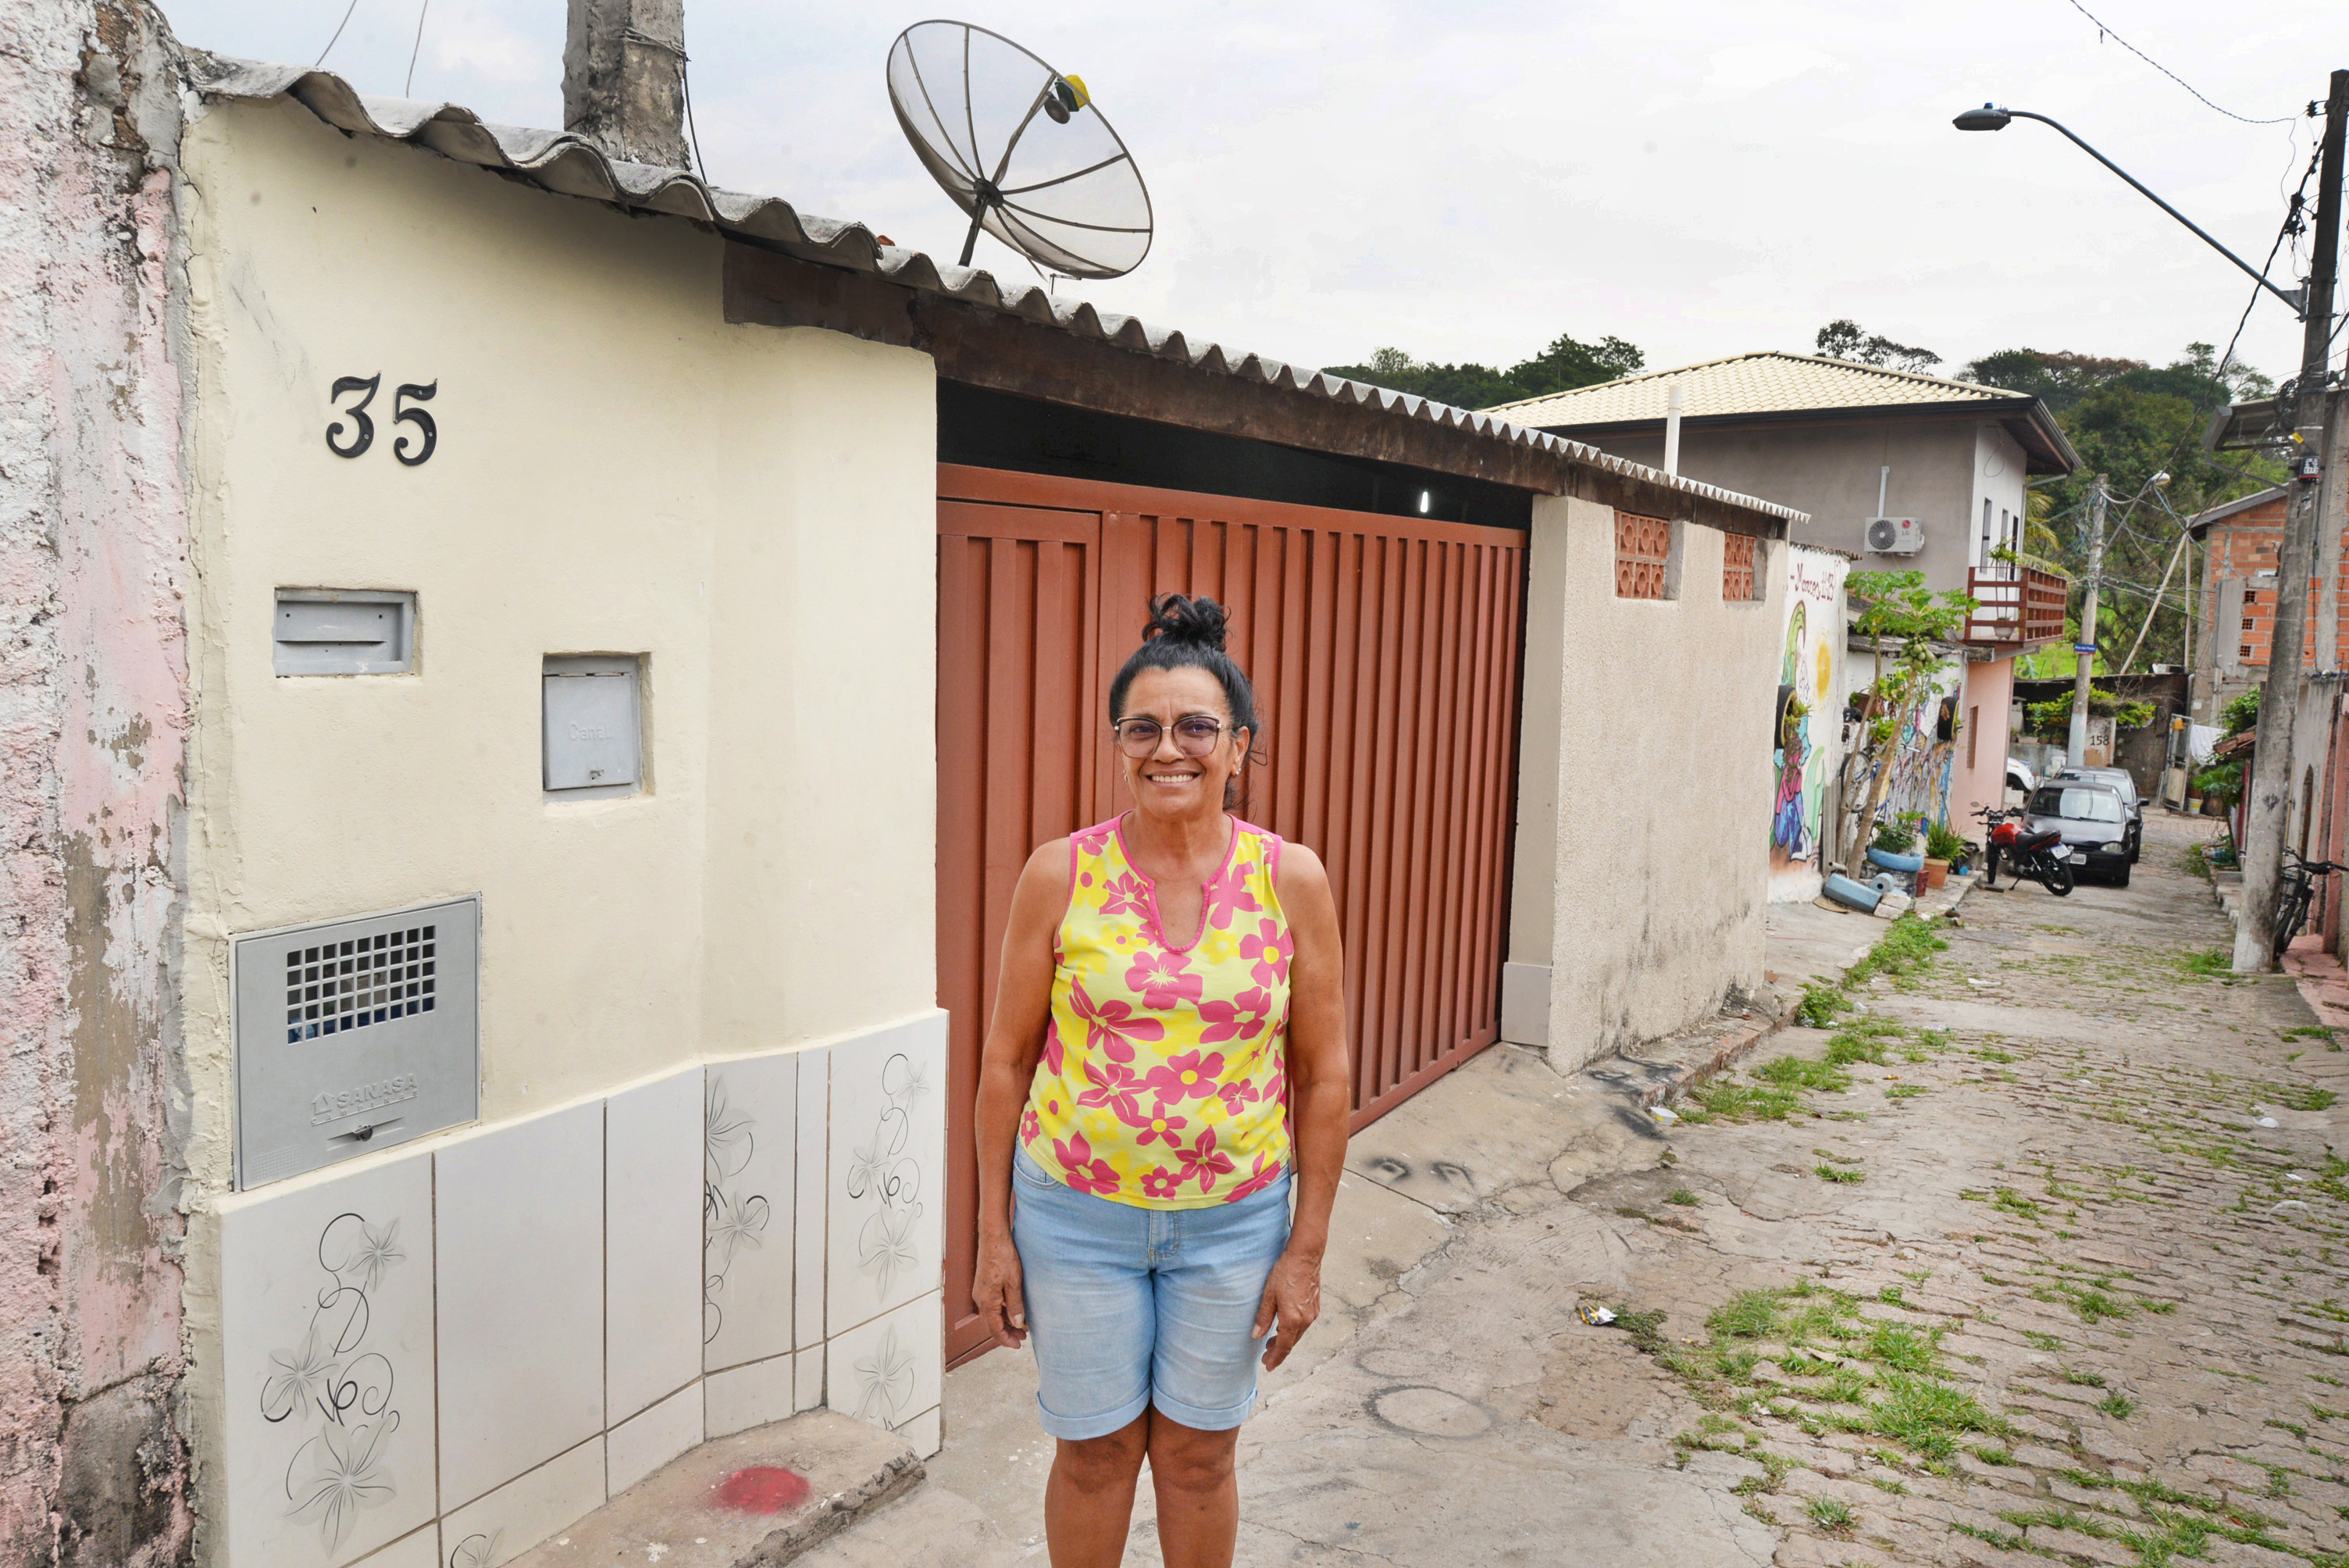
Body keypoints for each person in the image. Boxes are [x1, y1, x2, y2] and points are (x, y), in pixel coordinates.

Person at [971, 593, 1349, 1568]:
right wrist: (992, 1234)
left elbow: (1322, 1070)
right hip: (1075, 1218)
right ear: (1117, 744)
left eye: (1194, 726)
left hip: (1232, 1224)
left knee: (1194, 1457)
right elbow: (1005, 1061)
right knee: (1094, 1454)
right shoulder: (1059, 874)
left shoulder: (1288, 878)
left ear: (1238, 747)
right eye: (1141, 727)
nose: (1166, 747)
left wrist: (1304, 1250)